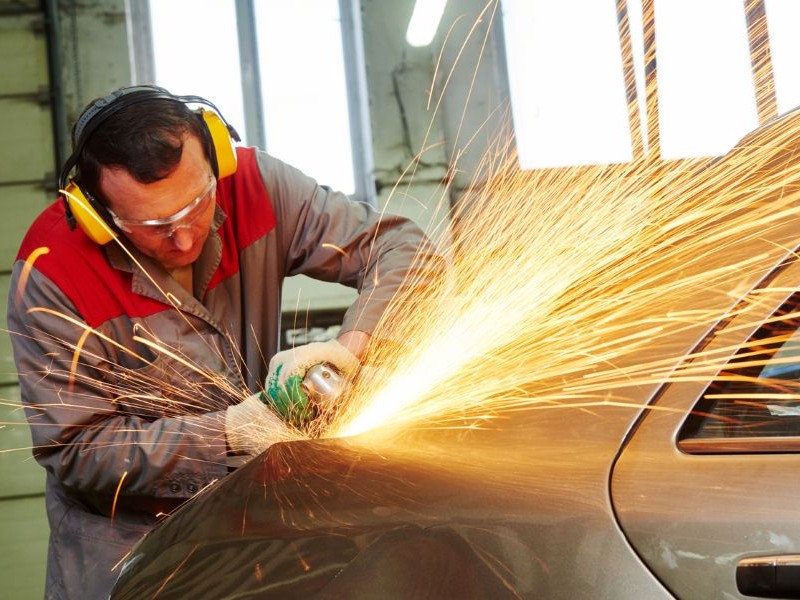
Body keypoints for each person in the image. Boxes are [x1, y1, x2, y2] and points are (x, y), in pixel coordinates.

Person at [7, 85, 440, 600]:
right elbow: (77, 450)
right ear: (97, 215)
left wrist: (352, 346)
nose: (186, 239)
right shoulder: (52, 273)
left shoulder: (252, 184)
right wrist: (229, 434)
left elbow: (399, 247)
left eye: (196, 204)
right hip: (126, 553)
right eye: (153, 226)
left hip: (259, 526)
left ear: (216, 160)